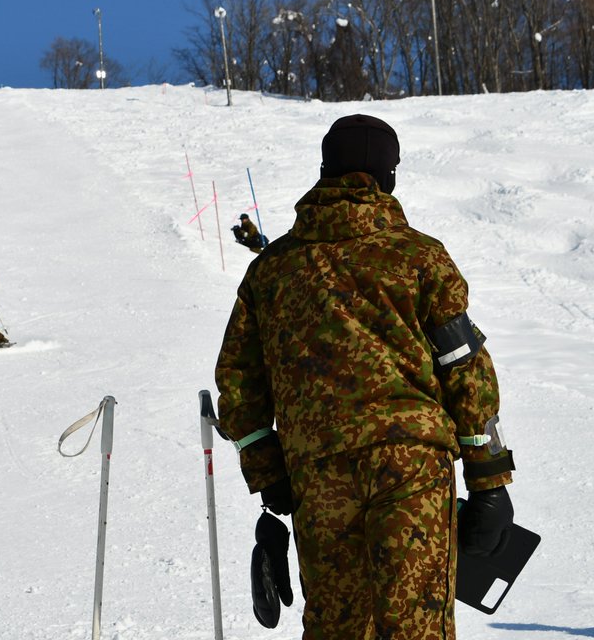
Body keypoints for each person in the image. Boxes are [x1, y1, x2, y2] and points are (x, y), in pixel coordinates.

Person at [213, 114, 515, 639]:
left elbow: (239, 381)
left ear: (324, 171)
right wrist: (488, 478)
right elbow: (465, 367)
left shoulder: (271, 270)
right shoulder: (420, 256)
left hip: (318, 471)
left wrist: (268, 472)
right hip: (411, 465)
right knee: (416, 625)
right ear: (388, 177)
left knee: (337, 627)